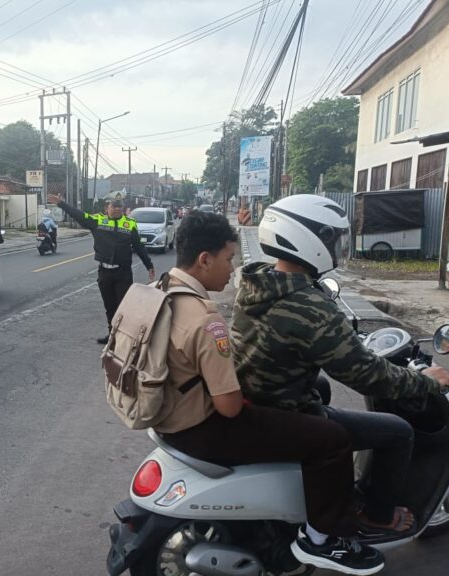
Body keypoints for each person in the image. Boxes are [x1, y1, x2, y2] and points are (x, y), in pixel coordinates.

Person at [154, 212, 384, 575]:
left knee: (317, 393)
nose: (232, 268)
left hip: (168, 414)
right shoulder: (205, 319)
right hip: (201, 426)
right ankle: (321, 540)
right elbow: (230, 407)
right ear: (205, 260)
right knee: (332, 439)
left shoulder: (161, 290)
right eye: (228, 258)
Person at [229, 194, 449, 539]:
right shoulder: (311, 306)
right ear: (308, 239)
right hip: (280, 411)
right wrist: (427, 381)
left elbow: (308, 339)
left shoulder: (256, 280)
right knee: (398, 431)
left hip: (256, 396)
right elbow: (368, 377)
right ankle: (377, 516)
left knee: (322, 388)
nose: (338, 248)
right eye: (334, 239)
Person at [48, 193, 154, 344]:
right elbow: (79, 215)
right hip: (105, 272)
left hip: (123, 273)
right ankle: (112, 336)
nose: (117, 209)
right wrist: (61, 204)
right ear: (107, 208)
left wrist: (149, 265)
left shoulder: (130, 223)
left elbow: (139, 246)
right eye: (114, 206)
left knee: (123, 307)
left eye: (120, 207)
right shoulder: (97, 220)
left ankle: (123, 338)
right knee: (109, 307)